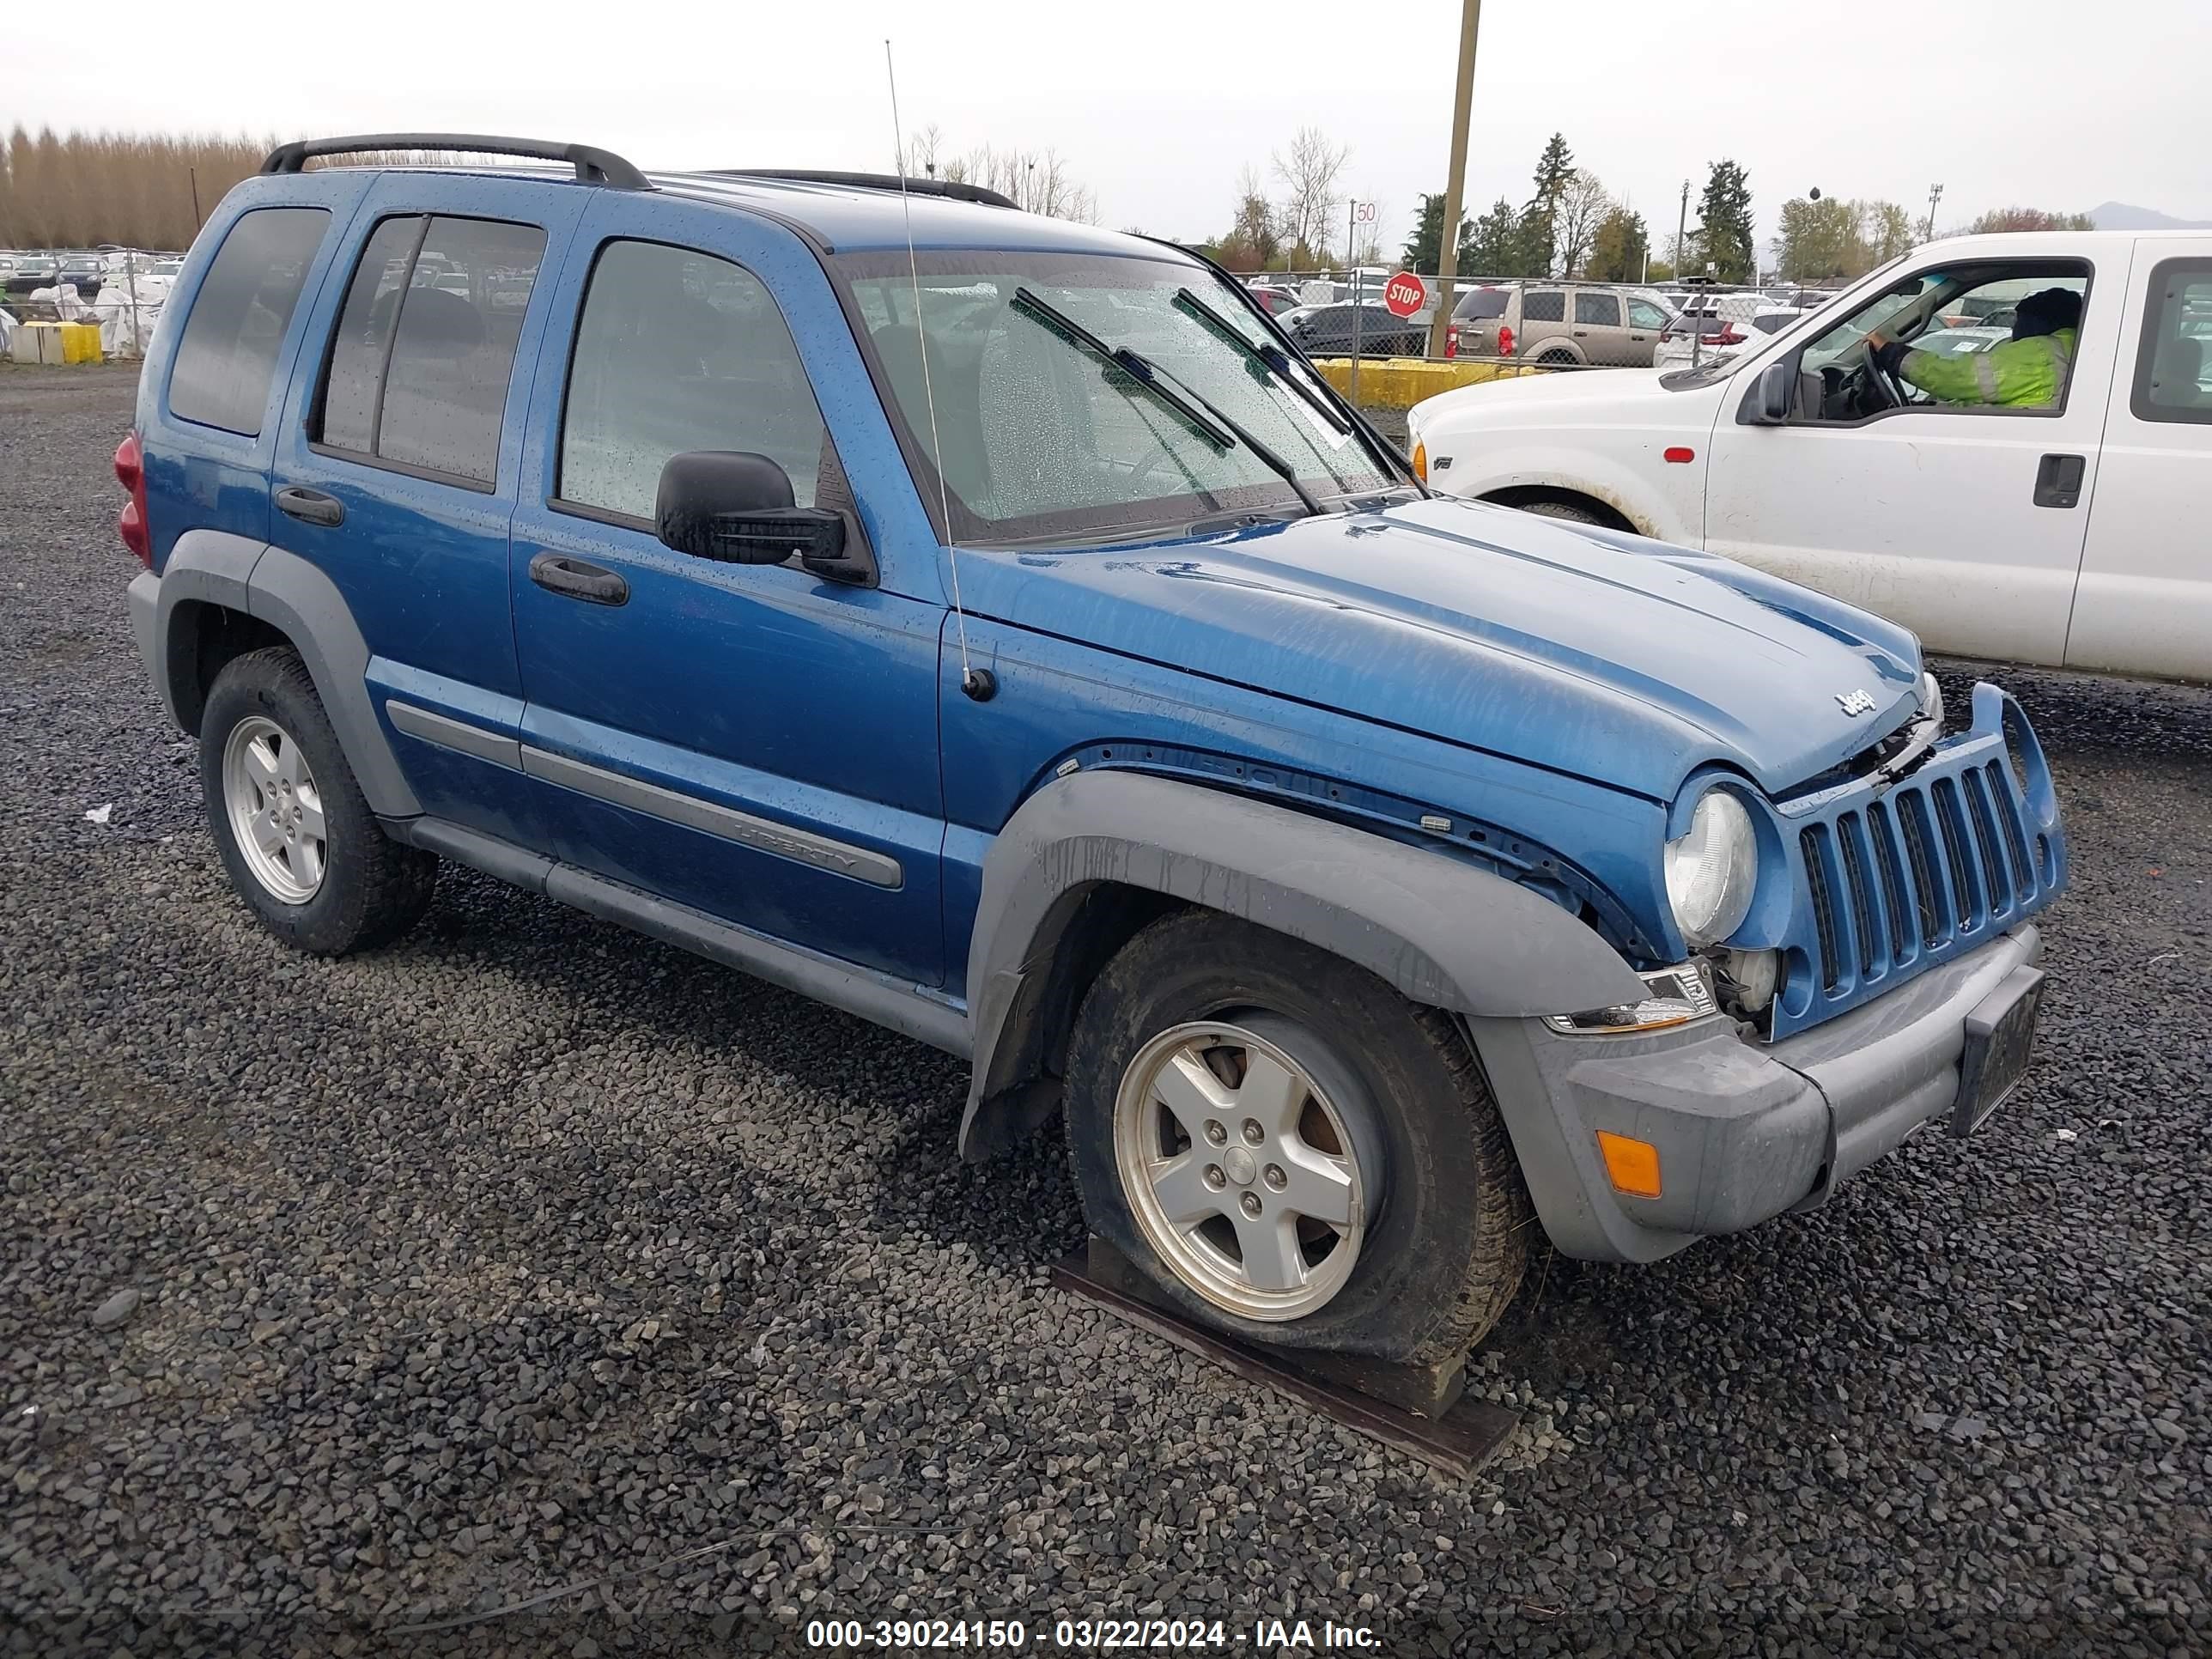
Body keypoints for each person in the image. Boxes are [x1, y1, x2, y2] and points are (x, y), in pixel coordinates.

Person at [1865, 287, 2081, 408]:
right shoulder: (2074, 348)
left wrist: (1890, 352)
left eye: (2019, 321)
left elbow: (1954, 378)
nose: (2015, 329)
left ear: (2040, 322)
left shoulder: (2041, 353)